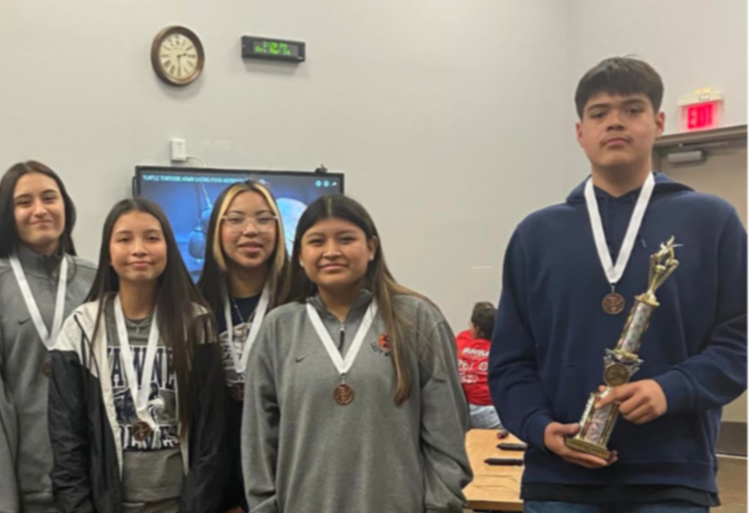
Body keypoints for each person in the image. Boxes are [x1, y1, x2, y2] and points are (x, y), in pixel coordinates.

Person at [490, 57, 749, 513]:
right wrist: (538, 426)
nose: (615, 122)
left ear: (659, 123)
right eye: (599, 112)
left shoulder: (713, 222)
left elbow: (741, 338)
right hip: (559, 478)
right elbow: (512, 358)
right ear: (580, 132)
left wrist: (674, 388)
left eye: (632, 109)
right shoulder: (536, 235)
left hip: (673, 475)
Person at [242, 194, 472, 513]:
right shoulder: (279, 328)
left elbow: (446, 431)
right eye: (317, 241)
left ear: (372, 247)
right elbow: (258, 437)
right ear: (300, 256)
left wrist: (441, 506)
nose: (331, 252)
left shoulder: (415, 319)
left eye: (346, 239)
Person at [48, 198, 229, 513]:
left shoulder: (196, 323)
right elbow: (67, 440)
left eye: (151, 237)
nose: (139, 249)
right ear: (108, 253)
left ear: (169, 249)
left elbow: (212, 435)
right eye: (124, 239)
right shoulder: (81, 327)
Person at [0, 161, 97, 513]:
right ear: (6, 214)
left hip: (94, 488)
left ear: (66, 207)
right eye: (24, 202)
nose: (39, 210)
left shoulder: (96, 280)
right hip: (24, 490)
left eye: (49, 198)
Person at [197, 180, 289, 512]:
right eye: (235, 219)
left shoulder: (300, 302)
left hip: (285, 472)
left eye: (264, 219)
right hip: (211, 477)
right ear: (215, 231)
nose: (250, 230)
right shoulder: (194, 304)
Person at [457, 301, 502, 429]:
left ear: (476, 328)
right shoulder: (504, 349)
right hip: (493, 409)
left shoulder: (461, 341)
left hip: (463, 409)